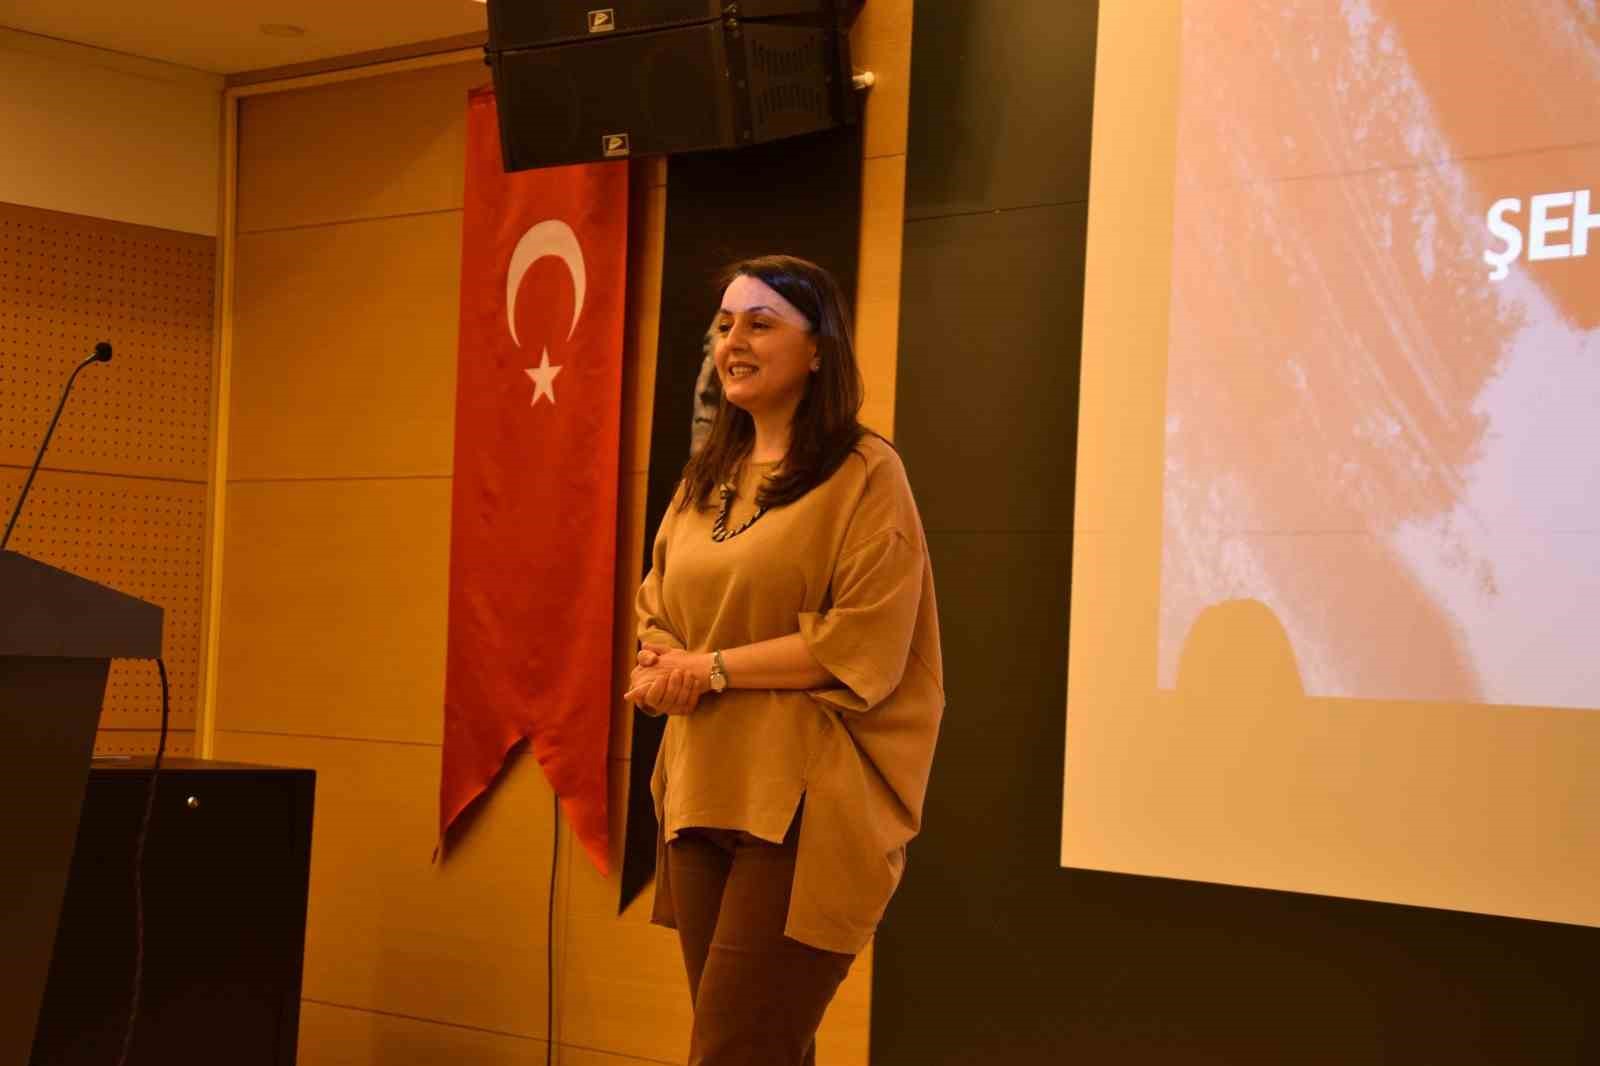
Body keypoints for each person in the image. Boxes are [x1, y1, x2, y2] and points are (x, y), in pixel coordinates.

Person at [627, 254, 943, 1066]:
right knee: (763, 1049)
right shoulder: (704, 477)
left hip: (804, 803)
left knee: (733, 1052)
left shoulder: (866, 472)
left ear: (817, 351)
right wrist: (658, 671)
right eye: (724, 325)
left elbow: (863, 640)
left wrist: (708, 669)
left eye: (761, 324)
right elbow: (656, 614)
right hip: (699, 790)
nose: (734, 341)